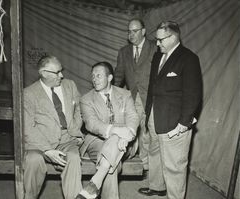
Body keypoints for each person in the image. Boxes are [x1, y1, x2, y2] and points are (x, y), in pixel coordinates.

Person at [138, 21, 202, 199]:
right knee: (155, 153)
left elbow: (194, 94)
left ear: (173, 37)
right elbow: (152, 86)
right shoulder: (158, 57)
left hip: (175, 122)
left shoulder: (189, 58)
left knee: (175, 165)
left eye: (160, 40)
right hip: (154, 117)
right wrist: (147, 112)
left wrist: (183, 123)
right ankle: (157, 187)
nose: (157, 44)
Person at [76, 61, 139, 199]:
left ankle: (95, 183)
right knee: (112, 162)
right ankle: (95, 185)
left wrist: (127, 135)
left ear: (110, 78)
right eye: (92, 76)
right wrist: (117, 132)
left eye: (98, 75)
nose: (94, 79)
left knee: (110, 160)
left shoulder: (125, 94)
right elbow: (92, 124)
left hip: (126, 142)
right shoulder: (86, 99)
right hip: (96, 141)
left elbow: (133, 117)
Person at [23, 55, 83, 199]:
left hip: (67, 140)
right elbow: (27, 127)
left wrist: (75, 129)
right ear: (43, 73)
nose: (61, 75)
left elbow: (80, 109)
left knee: (74, 158)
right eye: (57, 72)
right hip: (40, 142)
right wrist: (47, 149)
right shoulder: (28, 94)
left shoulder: (70, 85)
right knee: (33, 160)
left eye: (61, 71)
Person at [114, 18, 156, 172]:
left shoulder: (154, 47)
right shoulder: (123, 51)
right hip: (132, 97)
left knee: (149, 132)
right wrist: (111, 94)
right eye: (129, 31)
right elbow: (118, 75)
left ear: (143, 31)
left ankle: (149, 164)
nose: (131, 34)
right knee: (135, 131)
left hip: (152, 97)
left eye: (135, 31)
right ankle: (143, 163)